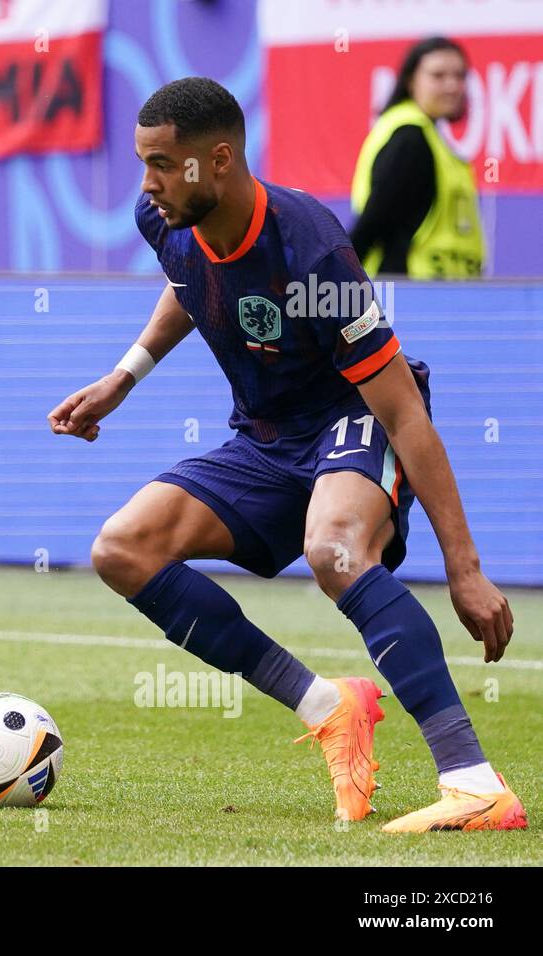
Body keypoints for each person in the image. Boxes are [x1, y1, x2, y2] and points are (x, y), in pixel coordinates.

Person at [48, 77, 525, 832]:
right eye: (144, 163)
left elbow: (401, 409)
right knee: (122, 548)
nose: (148, 184)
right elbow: (189, 275)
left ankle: (473, 782)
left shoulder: (312, 250)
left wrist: (464, 569)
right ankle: (330, 708)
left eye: (164, 164)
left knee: (333, 549)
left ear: (221, 159)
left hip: (352, 415)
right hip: (267, 438)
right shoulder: (163, 214)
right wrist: (123, 377)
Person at [350, 37, 484, 278]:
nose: (452, 86)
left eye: (459, 76)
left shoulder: (429, 138)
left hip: (437, 293)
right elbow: (373, 221)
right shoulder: (410, 139)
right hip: (414, 295)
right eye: (438, 76)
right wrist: (332, 284)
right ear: (411, 81)